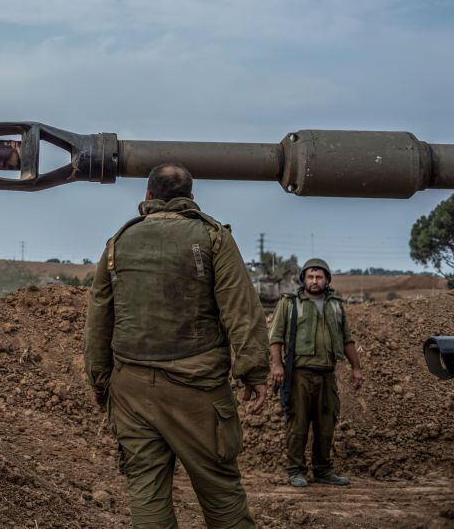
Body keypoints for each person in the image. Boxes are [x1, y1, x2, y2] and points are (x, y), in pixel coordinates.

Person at [84, 163, 269, 529]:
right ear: (191, 198)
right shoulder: (212, 236)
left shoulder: (118, 242)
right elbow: (241, 308)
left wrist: (100, 379)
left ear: (148, 196)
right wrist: (253, 371)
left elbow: (99, 319)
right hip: (196, 388)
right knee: (220, 493)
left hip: (131, 390)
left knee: (146, 492)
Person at [268, 258, 363, 488]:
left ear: (327, 280)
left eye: (319, 277)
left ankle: (323, 470)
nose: (314, 281)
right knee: (297, 424)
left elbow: (347, 338)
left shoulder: (335, 304)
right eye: (310, 277)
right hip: (299, 374)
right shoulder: (290, 303)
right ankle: (296, 471)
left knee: (326, 425)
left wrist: (356, 368)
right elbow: (276, 337)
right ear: (303, 279)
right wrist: (277, 365)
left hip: (327, 375)